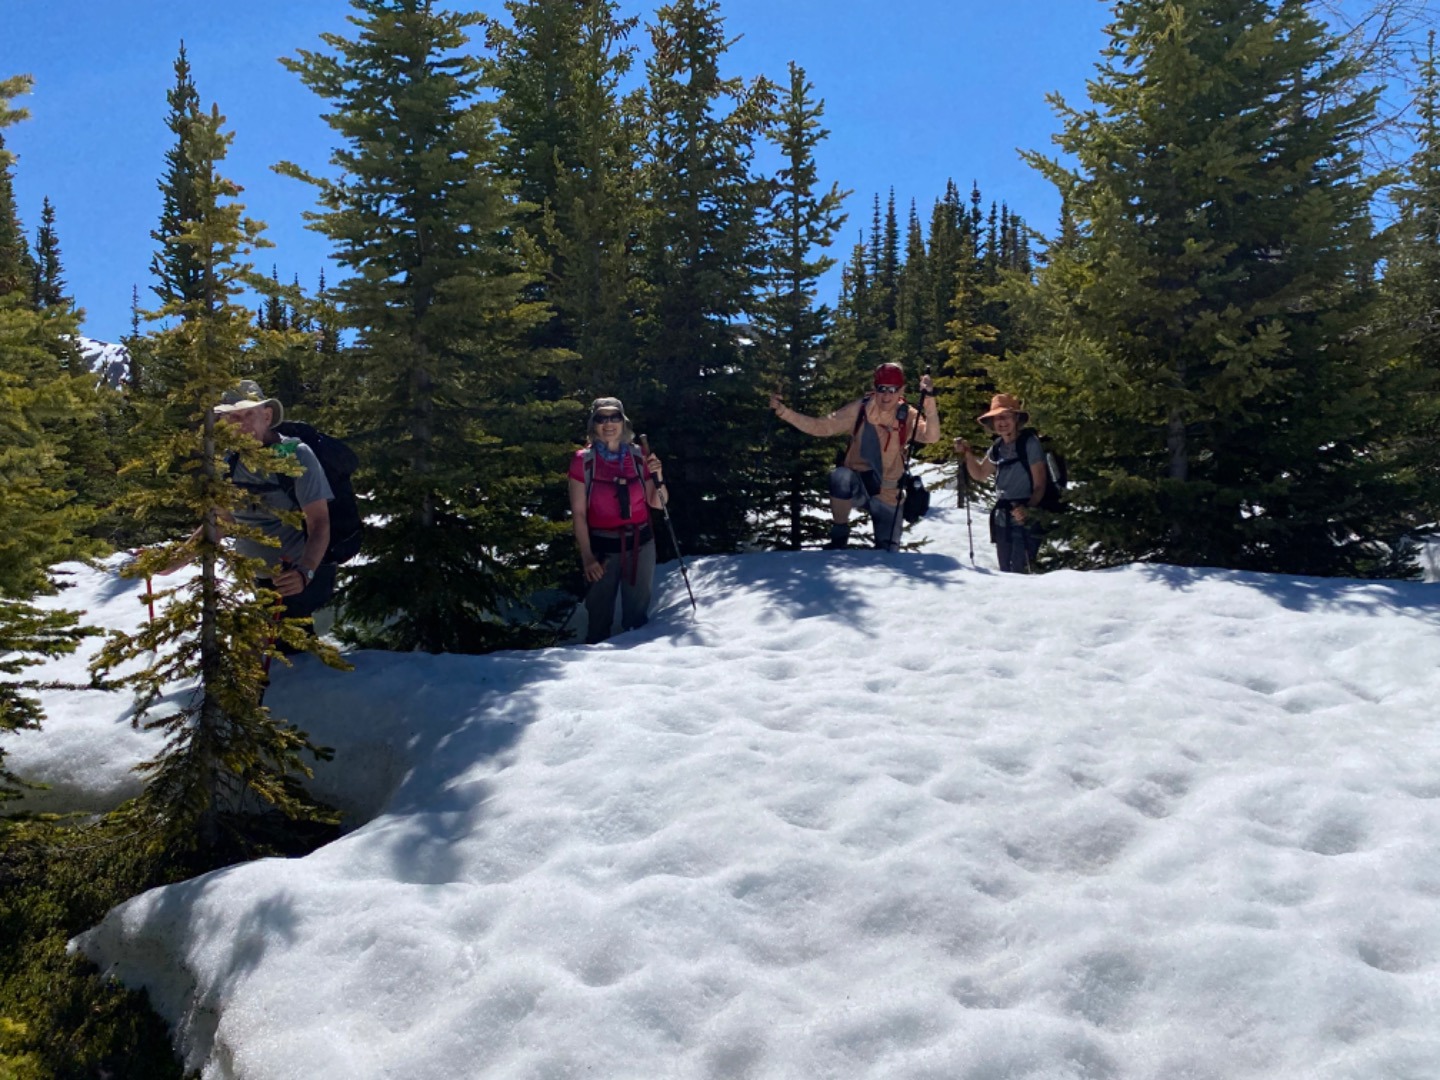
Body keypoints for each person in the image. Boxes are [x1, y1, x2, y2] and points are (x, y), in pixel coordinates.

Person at [163, 380, 336, 622]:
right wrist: (172, 561)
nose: (242, 423)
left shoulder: (295, 455)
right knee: (259, 639)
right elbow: (222, 521)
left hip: (299, 578)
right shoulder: (228, 463)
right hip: (258, 580)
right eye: (233, 417)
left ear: (266, 416)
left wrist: (305, 572)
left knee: (288, 644)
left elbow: (319, 523)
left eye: (249, 414)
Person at [770, 363, 939, 551]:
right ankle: (839, 536)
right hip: (860, 485)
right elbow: (821, 426)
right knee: (840, 476)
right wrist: (784, 412)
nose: (886, 395)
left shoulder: (907, 415)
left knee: (888, 552)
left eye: (892, 390)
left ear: (901, 390)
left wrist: (929, 401)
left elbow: (931, 436)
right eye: (882, 388)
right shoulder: (860, 409)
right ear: (874, 388)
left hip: (889, 494)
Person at [568, 398, 668, 644]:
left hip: (640, 544)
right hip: (602, 550)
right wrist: (587, 557)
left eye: (614, 417)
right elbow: (579, 513)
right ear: (593, 424)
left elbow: (658, 503)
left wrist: (658, 475)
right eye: (601, 418)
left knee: (637, 619)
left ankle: (636, 662)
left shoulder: (638, 455)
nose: (608, 423)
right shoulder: (584, 460)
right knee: (599, 618)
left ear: (623, 422)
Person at [954, 393, 1047, 573]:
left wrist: (1028, 509)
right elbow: (980, 474)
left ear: (1016, 418)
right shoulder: (998, 447)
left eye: (1006, 416)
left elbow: (1040, 484)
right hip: (1002, 515)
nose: (1001, 422)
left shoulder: (1029, 443)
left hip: (1025, 514)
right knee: (1005, 570)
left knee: (1021, 570)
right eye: (997, 418)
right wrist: (967, 453)